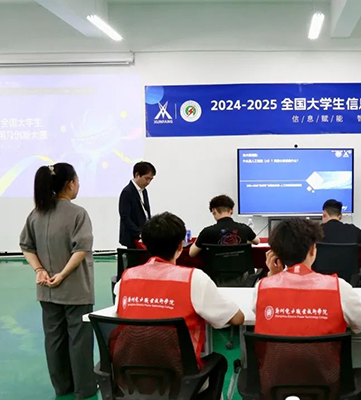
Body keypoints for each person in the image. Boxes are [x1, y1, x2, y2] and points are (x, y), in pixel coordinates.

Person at [114, 212, 244, 397]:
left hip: (130, 378)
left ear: (146, 245)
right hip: (180, 379)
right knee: (218, 361)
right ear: (180, 246)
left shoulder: (126, 279)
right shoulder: (194, 279)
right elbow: (237, 319)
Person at [20, 163, 96, 399]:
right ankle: (84, 388)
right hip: (75, 290)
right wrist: (62, 274)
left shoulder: (36, 213)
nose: (78, 185)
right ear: (70, 184)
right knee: (79, 340)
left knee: (54, 340)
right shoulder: (78, 213)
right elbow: (81, 249)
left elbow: (26, 246)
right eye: (77, 181)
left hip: (47, 291)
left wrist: (39, 270)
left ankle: (62, 388)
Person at [254, 218, 361, 336]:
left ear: (275, 253)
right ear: (312, 249)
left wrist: (273, 278)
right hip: (326, 352)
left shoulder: (261, 288)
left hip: (276, 352)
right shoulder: (339, 288)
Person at [189, 195, 259, 258]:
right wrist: (243, 241)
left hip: (215, 268)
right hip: (242, 268)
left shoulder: (207, 232)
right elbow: (257, 241)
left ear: (213, 211)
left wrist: (200, 238)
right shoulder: (244, 228)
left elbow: (192, 253)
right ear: (231, 210)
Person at [119, 161, 156, 248]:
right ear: (137, 175)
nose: (148, 182)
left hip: (144, 236)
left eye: (151, 179)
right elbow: (125, 217)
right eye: (146, 178)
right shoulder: (127, 192)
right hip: (132, 238)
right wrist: (139, 233)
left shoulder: (144, 191)